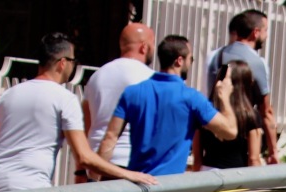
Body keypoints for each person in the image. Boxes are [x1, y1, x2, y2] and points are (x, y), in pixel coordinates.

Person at [0, 33, 157, 191]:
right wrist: (130, 175)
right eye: (73, 61)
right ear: (63, 63)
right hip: (29, 186)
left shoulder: (10, 94)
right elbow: (84, 156)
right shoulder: (64, 98)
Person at [100, 35, 237, 176]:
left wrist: (93, 181)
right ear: (179, 61)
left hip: (137, 186)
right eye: (191, 59)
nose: (191, 64)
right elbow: (230, 131)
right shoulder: (192, 98)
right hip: (170, 188)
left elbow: (110, 138)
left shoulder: (132, 92)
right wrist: (224, 97)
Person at [82, 23, 156, 179]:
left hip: (97, 163)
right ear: (144, 47)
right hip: (130, 164)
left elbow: (87, 122)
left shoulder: (97, 76)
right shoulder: (149, 78)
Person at [205, 11, 278, 164]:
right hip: (243, 131)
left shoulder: (216, 56)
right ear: (255, 32)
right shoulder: (257, 62)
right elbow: (266, 111)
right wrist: (273, 151)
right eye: (265, 30)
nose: (266, 36)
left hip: (215, 128)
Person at [194, 60, 263, 169]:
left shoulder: (206, 111)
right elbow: (254, 159)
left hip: (207, 174)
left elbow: (197, 158)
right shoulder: (250, 115)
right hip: (236, 176)